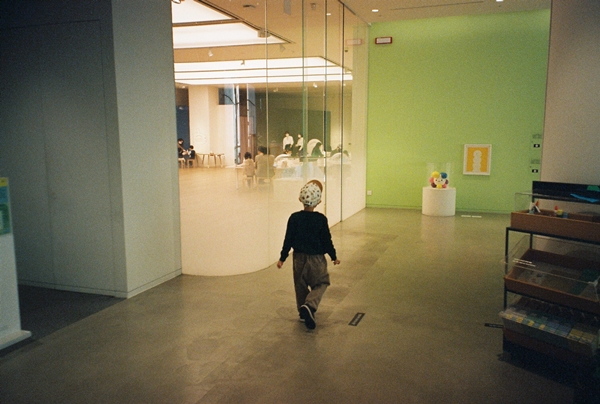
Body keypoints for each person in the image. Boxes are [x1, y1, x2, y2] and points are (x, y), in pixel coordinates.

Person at [277, 180, 340, 330]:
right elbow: (326, 240)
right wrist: (333, 256)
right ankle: (310, 305)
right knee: (322, 283)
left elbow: (288, 239)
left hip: (298, 258)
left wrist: (282, 258)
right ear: (319, 202)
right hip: (317, 259)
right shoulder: (321, 219)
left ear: (300, 199)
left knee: (300, 285)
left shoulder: (294, 218)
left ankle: (302, 312)